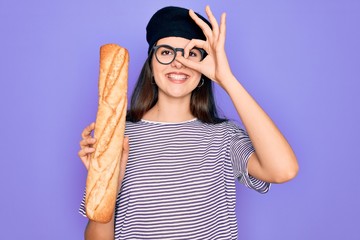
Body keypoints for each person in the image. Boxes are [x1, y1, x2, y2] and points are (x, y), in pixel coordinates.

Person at [78, 5, 299, 240]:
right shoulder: (118, 137)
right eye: (166, 52)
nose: (178, 63)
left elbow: (283, 170)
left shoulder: (224, 137)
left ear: (204, 68)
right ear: (151, 64)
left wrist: (227, 79)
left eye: (190, 54)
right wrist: (108, 186)